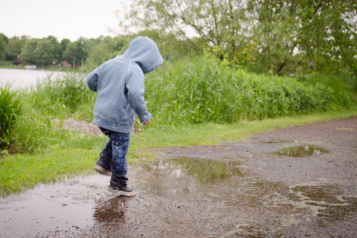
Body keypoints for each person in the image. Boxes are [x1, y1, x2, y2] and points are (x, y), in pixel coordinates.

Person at [87, 36, 163, 196]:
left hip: (101, 115)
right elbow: (135, 94)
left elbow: (90, 79)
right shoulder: (134, 69)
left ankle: (103, 163)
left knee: (116, 138)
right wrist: (144, 115)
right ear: (145, 56)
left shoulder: (110, 62)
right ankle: (118, 183)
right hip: (118, 116)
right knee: (121, 146)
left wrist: (103, 90)